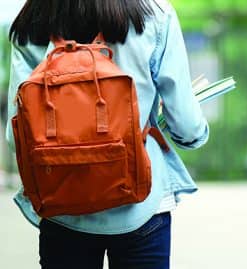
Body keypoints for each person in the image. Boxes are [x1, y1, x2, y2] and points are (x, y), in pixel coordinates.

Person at [5, 0, 209, 268]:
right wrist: (194, 135)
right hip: (141, 206)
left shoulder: (33, 18)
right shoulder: (154, 14)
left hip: (61, 208)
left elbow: (15, 136)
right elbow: (187, 126)